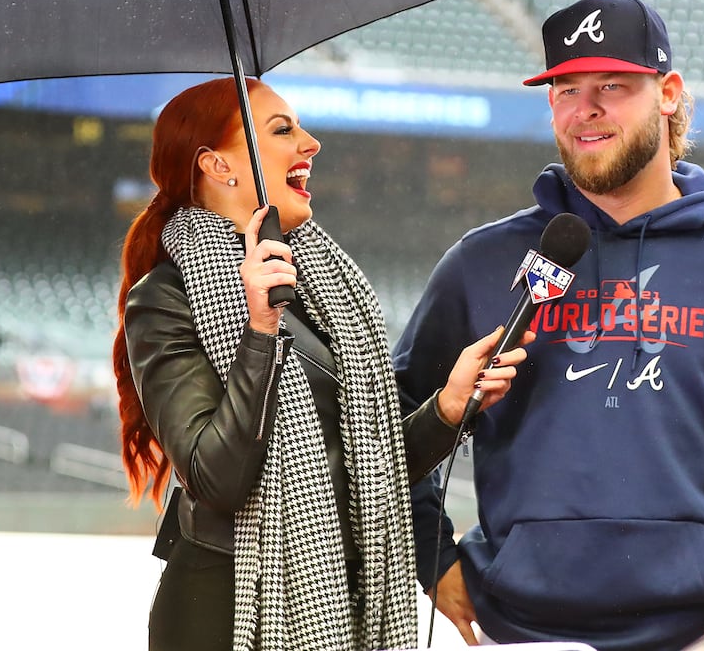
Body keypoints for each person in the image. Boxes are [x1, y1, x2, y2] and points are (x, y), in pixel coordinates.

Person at [394, 0, 704, 651]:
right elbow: (386, 429)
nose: (584, 108)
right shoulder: (481, 264)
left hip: (703, 629)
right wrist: (432, 556)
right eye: (565, 89)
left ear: (668, 94)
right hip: (521, 631)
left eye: (612, 87)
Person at [114, 77, 531, 651]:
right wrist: (260, 333)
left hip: (344, 599)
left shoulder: (324, 285)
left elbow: (366, 476)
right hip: (222, 611)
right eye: (282, 130)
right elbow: (217, 477)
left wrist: (448, 408)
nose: (311, 144)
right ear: (217, 166)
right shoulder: (164, 298)